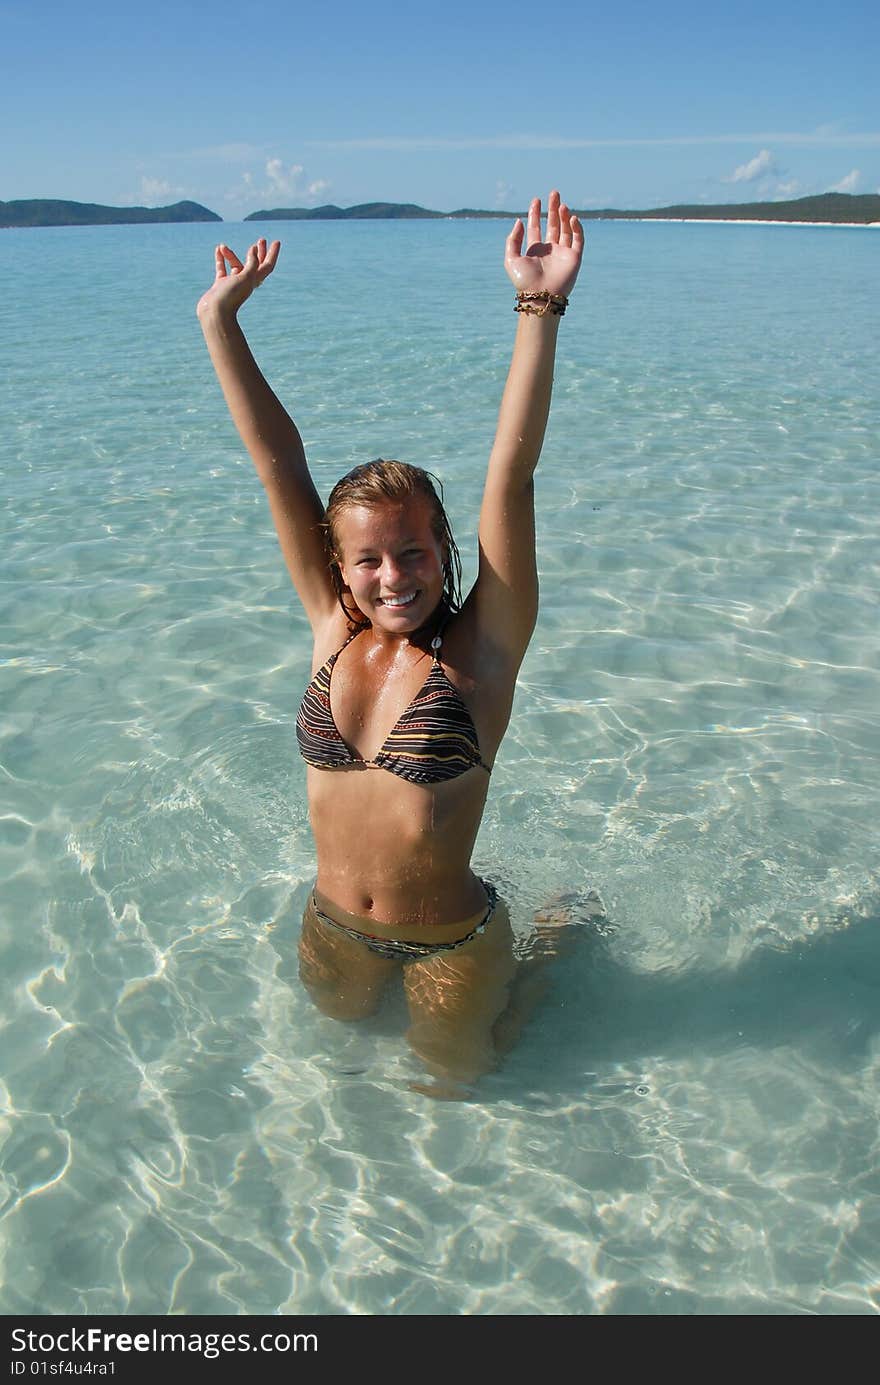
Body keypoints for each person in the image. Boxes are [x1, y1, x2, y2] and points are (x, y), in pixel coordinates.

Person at [197, 191, 584, 1095]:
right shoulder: (333, 628)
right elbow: (277, 462)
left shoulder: (483, 651)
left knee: (455, 1084)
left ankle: (550, 948)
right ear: (339, 566)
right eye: (368, 559)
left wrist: (539, 306)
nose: (393, 576)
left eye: (414, 552)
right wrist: (219, 320)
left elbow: (512, 474)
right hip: (332, 924)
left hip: (450, 936)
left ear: (445, 551)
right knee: (333, 1038)